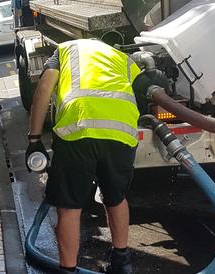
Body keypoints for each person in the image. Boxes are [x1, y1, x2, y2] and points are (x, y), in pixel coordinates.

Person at [25, 39, 141, 274]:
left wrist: (34, 139)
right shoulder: (120, 58)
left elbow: (44, 89)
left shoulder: (64, 50)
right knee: (116, 197)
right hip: (121, 128)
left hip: (78, 126)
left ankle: (68, 269)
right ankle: (122, 262)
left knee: (69, 206)